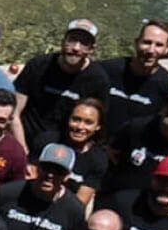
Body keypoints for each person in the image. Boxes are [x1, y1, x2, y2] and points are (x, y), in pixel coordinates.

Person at [14, 20, 113, 150]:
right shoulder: (38, 65)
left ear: (92, 49)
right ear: (63, 41)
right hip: (23, 139)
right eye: (72, 40)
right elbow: (14, 113)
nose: (76, 48)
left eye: (84, 43)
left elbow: (97, 125)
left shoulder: (98, 80)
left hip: (62, 148)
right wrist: (22, 151)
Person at [98, 20, 168, 130]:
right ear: (136, 42)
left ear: (167, 49)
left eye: (159, 45)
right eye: (147, 42)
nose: (151, 50)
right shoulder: (108, 69)